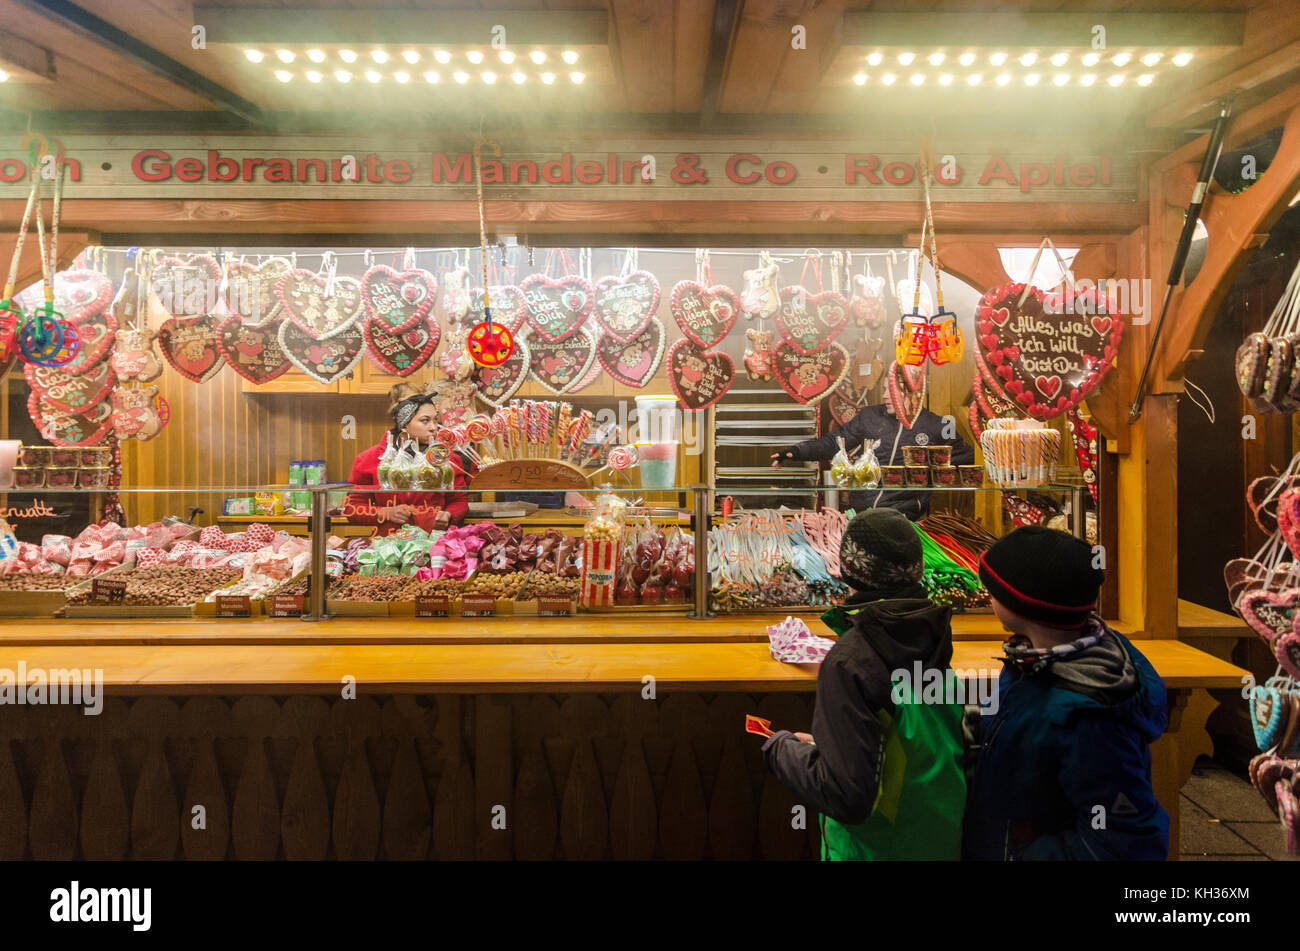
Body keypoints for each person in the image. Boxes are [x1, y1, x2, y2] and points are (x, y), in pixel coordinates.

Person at [760, 508, 966, 860]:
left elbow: (847, 794)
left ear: (847, 570)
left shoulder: (850, 660)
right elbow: (900, 738)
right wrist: (831, 744)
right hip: (937, 840)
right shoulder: (933, 633)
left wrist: (782, 749)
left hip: (873, 849)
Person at [964, 525, 1170, 861]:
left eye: (993, 591)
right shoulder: (1035, 655)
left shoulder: (1087, 717)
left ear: (1023, 606)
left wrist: (1024, 855)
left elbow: (1123, 838)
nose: (988, 597)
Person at [770, 385, 974, 519]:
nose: (885, 395)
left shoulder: (936, 425)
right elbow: (834, 442)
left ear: (915, 393)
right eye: (885, 389)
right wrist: (796, 452)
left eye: (893, 390)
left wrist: (929, 469)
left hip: (904, 518)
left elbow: (964, 459)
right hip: (860, 512)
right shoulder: (870, 416)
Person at [345, 382, 471, 536]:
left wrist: (449, 514)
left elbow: (459, 501)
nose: (434, 427)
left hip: (434, 543)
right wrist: (384, 512)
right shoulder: (369, 459)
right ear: (404, 425)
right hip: (390, 547)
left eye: (435, 420)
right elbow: (352, 509)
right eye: (425, 420)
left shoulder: (447, 458)